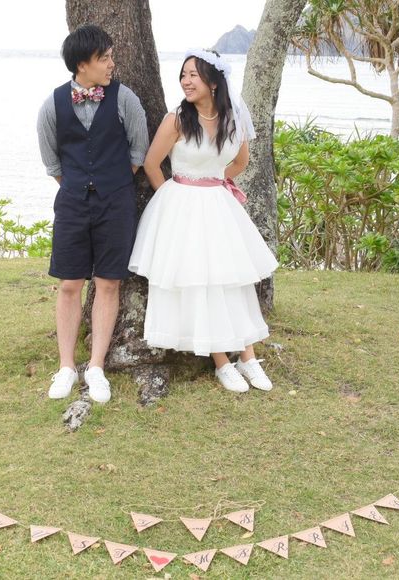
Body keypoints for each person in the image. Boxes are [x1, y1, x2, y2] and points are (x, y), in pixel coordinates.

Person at [129, 49, 278, 393]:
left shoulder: (232, 119)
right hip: (182, 206)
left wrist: (216, 179)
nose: (186, 81)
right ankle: (221, 361)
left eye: (193, 75)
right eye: (183, 75)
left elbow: (240, 161)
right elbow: (152, 163)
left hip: (219, 205)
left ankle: (248, 356)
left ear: (213, 81)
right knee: (200, 280)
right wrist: (172, 197)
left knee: (232, 279)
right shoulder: (177, 120)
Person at [37, 25, 148, 403]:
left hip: (115, 203)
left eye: (111, 56)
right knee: (69, 284)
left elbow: (138, 152)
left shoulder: (125, 99)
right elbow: (53, 164)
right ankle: (66, 367)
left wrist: (109, 183)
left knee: (108, 283)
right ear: (82, 64)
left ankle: (96, 367)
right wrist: (79, 186)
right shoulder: (52, 105)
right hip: (71, 203)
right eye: (105, 58)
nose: (112, 64)